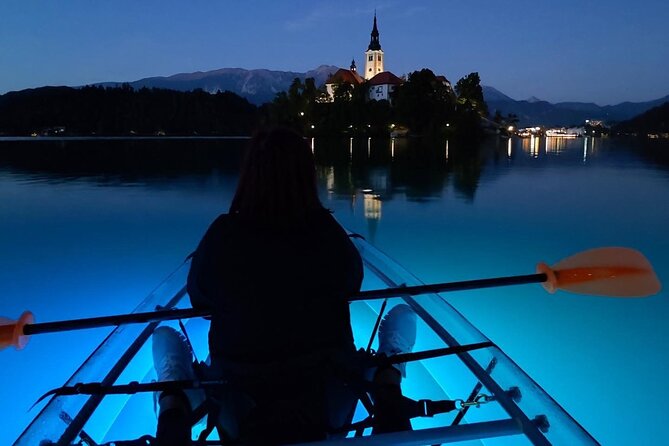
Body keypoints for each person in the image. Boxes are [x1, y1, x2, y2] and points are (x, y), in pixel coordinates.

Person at [152, 127, 417, 445]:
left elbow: (201, 302)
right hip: (325, 402)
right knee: (400, 314)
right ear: (307, 177)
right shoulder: (328, 235)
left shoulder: (222, 236)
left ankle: (174, 401)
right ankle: (387, 376)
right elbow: (351, 285)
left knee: (165, 336)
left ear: (249, 176)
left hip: (238, 402)